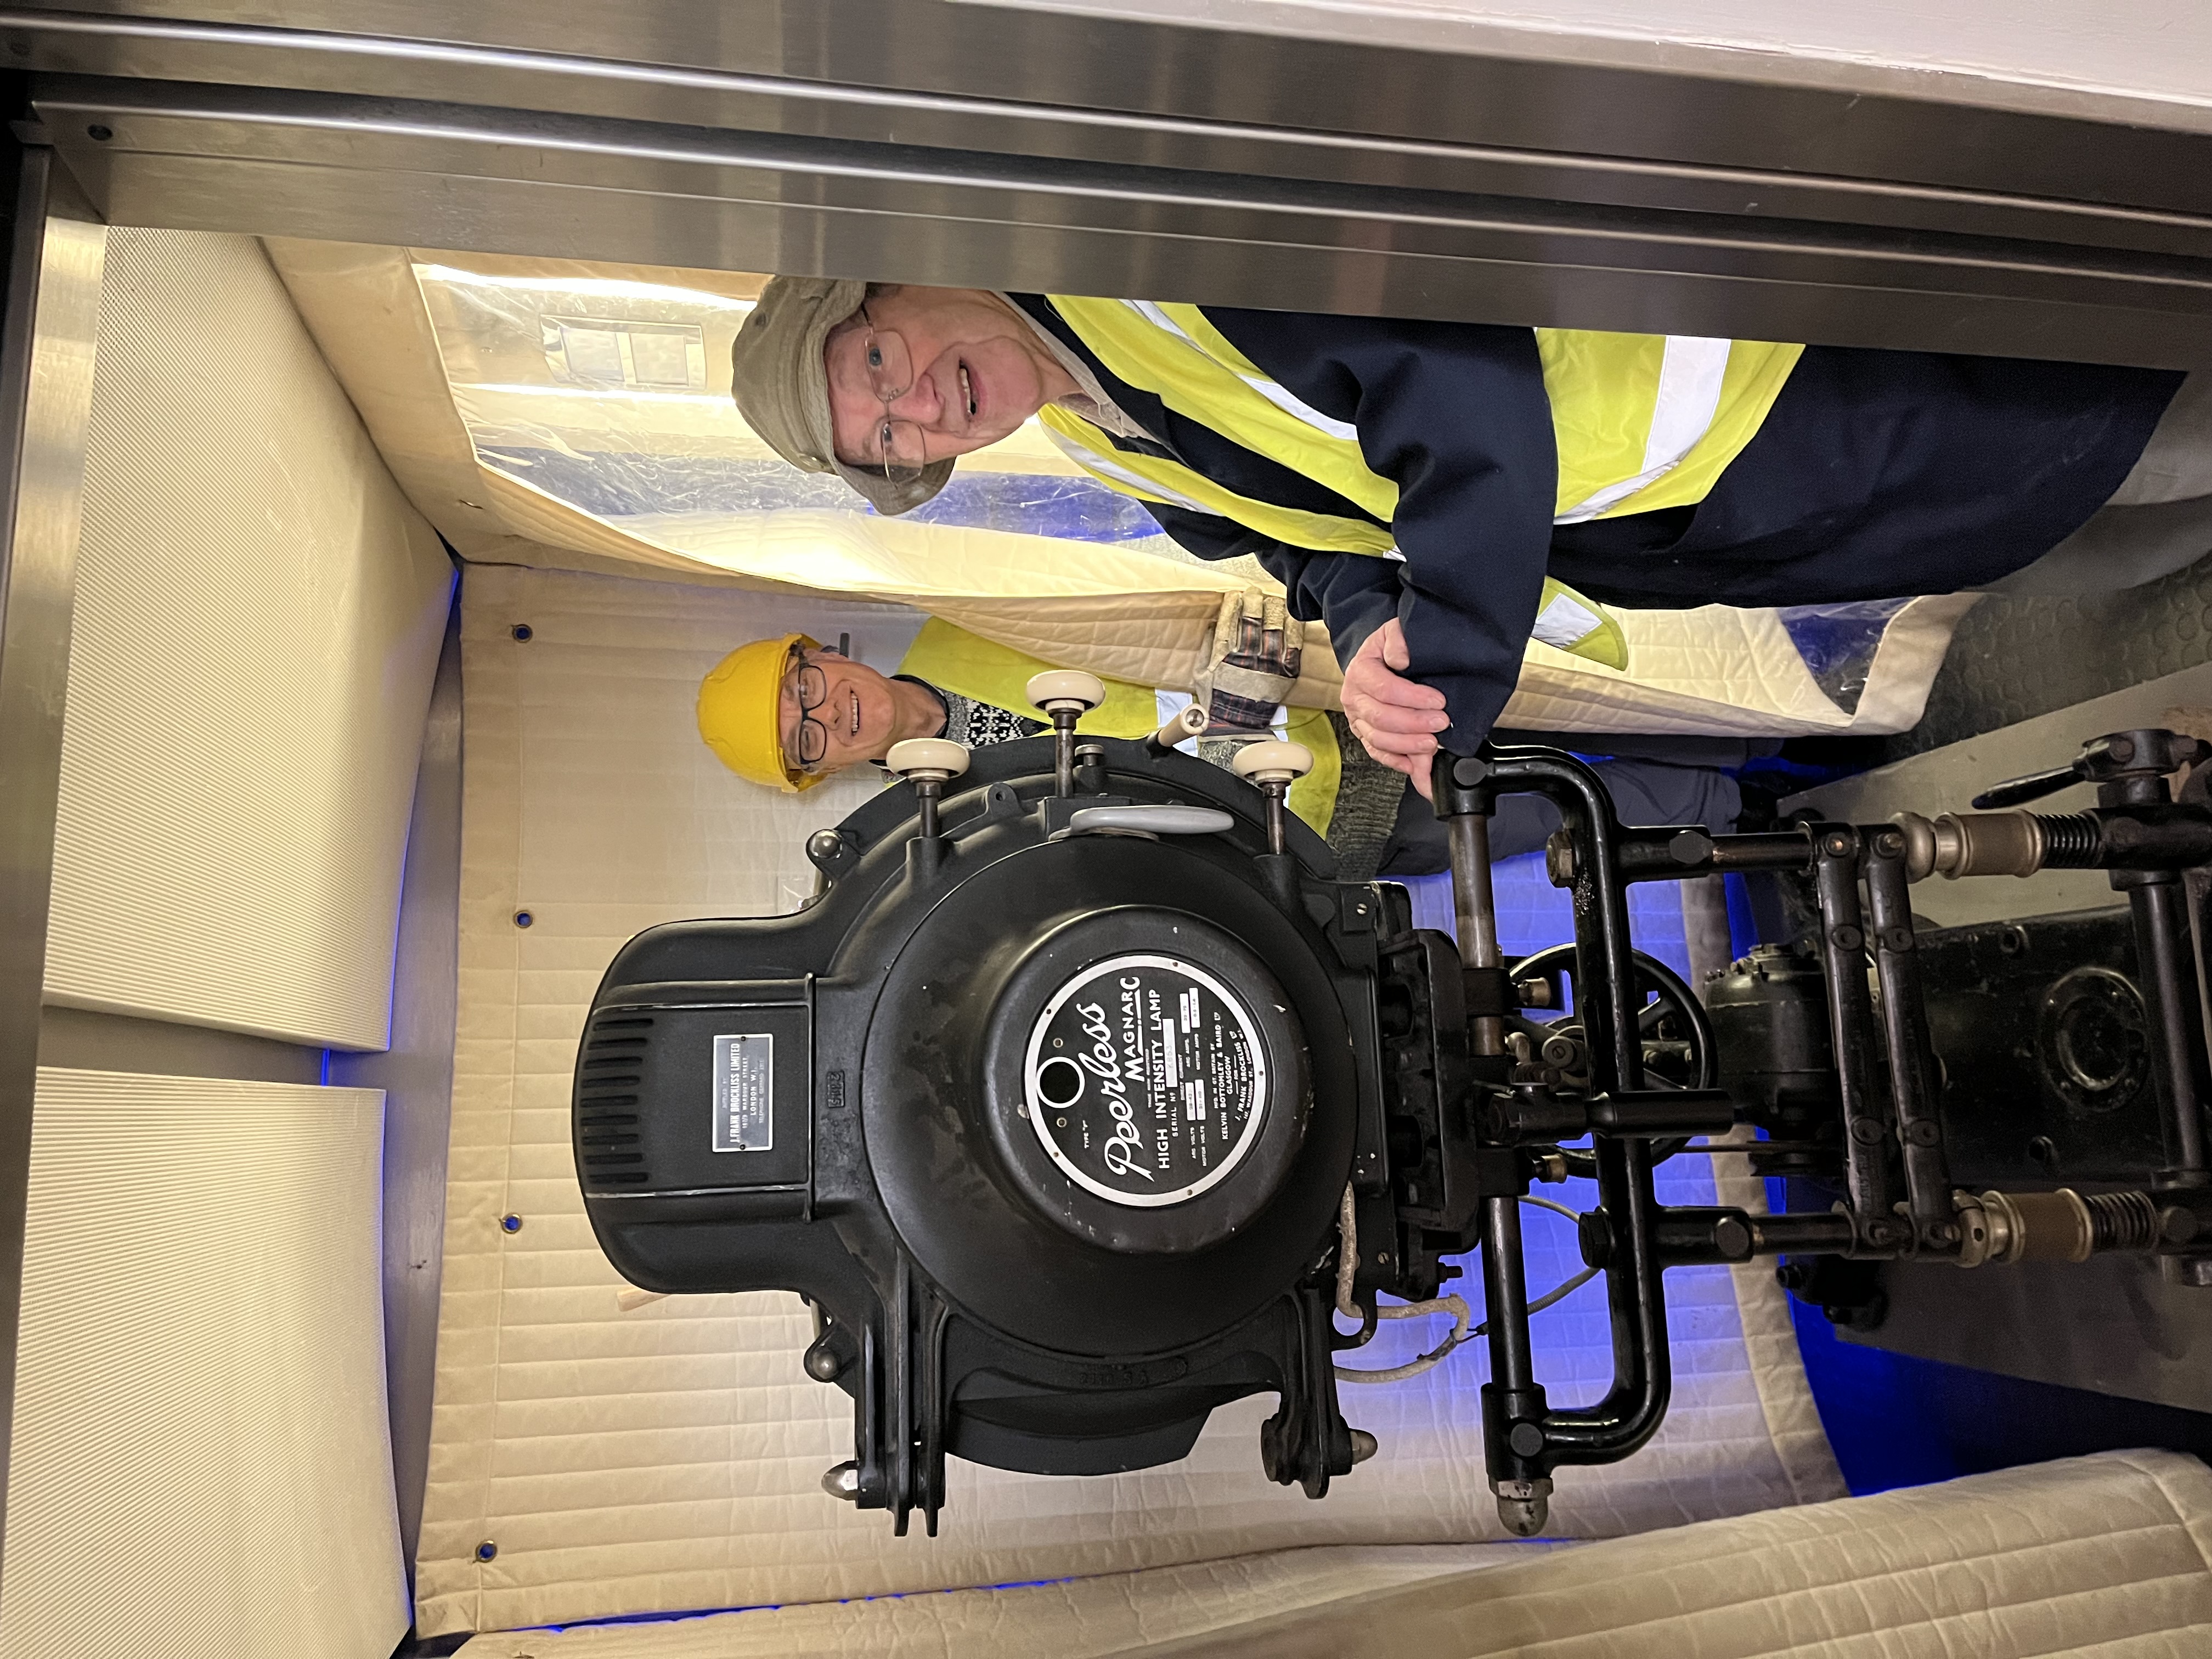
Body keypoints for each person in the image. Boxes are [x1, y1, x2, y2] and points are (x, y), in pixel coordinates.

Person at [726, 280, 2212, 795]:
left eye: (878, 364)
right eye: (890, 439)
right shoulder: (1093, 425)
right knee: (2082, 539)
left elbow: (1448, 386)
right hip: (1686, 518)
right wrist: (1369, 628)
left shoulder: (1138, 277)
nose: (917, 406)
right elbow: (1294, 539)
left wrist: (1452, 660)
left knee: (2135, 433)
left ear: (900, 279)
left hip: (1775, 398)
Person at [694, 616, 1744, 879]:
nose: (830, 712)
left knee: (1575, 709)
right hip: (1312, 824)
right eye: (806, 736)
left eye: (805, 686)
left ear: (820, 654)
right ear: (818, 772)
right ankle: (1756, 812)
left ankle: (1770, 735)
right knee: (1558, 810)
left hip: (1340, 692)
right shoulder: (946, 830)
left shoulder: (971, 617)